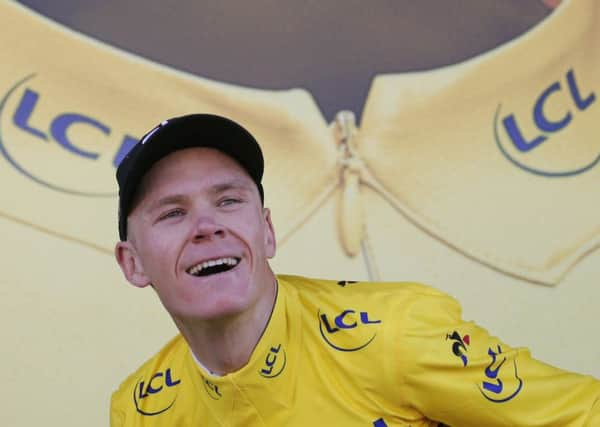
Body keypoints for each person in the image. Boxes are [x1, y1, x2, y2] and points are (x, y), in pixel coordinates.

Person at [110, 113, 600, 426]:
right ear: (133, 264)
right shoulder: (140, 409)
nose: (207, 226)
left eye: (228, 200)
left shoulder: (396, 333)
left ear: (267, 231)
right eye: (173, 213)